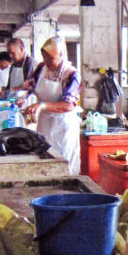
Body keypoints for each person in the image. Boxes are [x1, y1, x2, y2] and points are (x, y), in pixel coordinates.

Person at [22, 36, 81, 174]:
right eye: (44, 57)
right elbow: (31, 85)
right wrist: (23, 97)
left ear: (61, 55)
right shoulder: (41, 68)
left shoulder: (72, 74)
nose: (46, 61)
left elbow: (68, 105)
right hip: (44, 122)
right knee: (44, 158)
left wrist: (42, 105)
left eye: (51, 58)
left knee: (64, 161)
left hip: (63, 126)